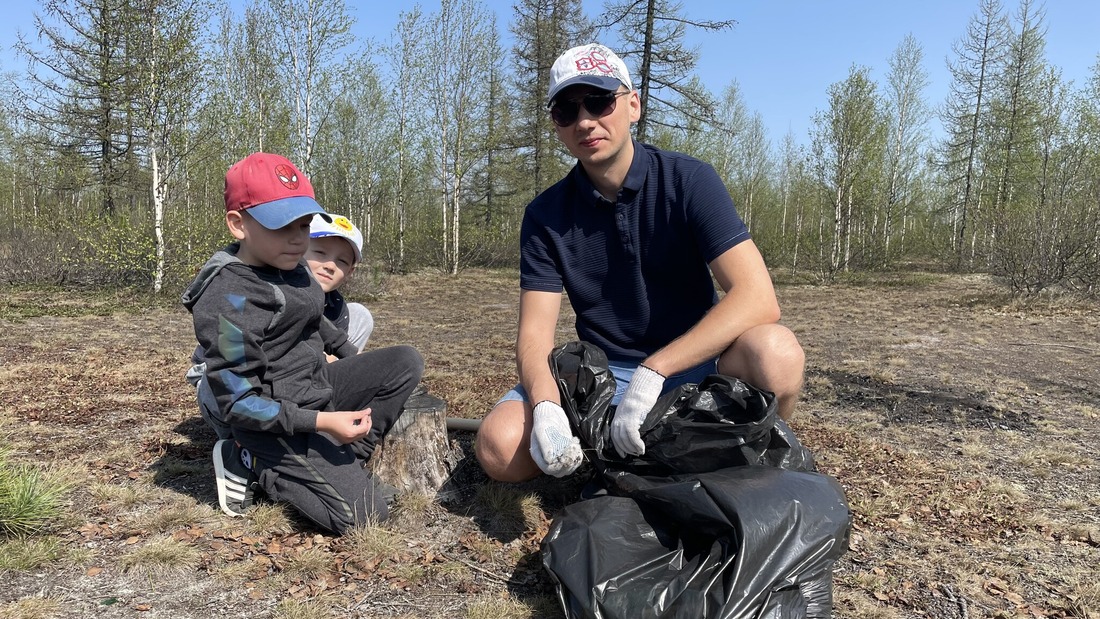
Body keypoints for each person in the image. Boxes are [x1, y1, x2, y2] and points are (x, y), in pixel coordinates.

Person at [474, 43, 805, 482]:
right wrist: (548, 406)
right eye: (566, 111)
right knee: (500, 449)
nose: (585, 121)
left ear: (633, 105)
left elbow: (758, 298)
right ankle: (614, 457)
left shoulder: (689, 181)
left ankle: (755, 455)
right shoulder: (545, 215)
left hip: (697, 364)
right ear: (556, 126)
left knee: (777, 353)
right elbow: (534, 336)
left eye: (598, 101)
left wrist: (655, 371)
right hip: (601, 375)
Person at [181, 152, 423, 534]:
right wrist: (324, 421)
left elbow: (315, 318)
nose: (297, 239)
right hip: (271, 422)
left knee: (405, 361)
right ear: (238, 224)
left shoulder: (291, 266)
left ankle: (351, 455)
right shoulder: (229, 298)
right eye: (282, 227)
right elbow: (239, 402)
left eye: (304, 225)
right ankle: (253, 463)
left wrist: (349, 358)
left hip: (315, 388)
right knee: (366, 518)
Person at [305, 213, 374, 353]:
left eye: (342, 261)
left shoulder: (336, 306)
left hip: (320, 369)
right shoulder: (279, 291)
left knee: (360, 314)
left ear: (350, 272)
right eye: (320, 252)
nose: (330, 266)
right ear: (298, 249)